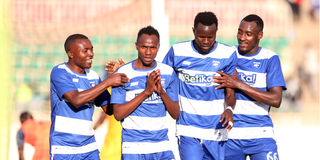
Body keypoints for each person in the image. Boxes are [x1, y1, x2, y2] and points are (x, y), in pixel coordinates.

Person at [162, 11, 237, 160]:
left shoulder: (227, 54)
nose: (206, 41)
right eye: (201, 36)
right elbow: (160, 77)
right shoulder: (178, 52)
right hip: (188, 128)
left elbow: (230, 92)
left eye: (210, 37)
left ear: (216, 32)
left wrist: (229, 109)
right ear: (193, 31)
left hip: (217, 128)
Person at [213, 14, 287, 160]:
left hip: (261, 135)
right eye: (239, 32)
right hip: (230, 135)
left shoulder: (270, 59)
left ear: (260, 35)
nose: (242, 38)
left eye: (248, 34)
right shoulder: (228, 55)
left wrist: (239, 84)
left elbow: (276, 99)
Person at [49, 34, 129, 160]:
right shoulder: (60, 72)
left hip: (89, 148)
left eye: (91, 49)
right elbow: (76, 100)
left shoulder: (93, 76)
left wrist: (120, 84)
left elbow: (110, 110)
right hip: (64, 148)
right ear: (71, 53)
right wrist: (108, 81)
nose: (91, 54)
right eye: (85, 51)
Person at [111, 26, 180, 159]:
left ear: (158, 47)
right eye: (144, 47)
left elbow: (176, 113)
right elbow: (118, 114)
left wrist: (161, 92)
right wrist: (146, 92)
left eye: (152, 47)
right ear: (136, 46)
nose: (148, 52)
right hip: (133, 148)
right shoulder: (123, 73)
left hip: (162, 147)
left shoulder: (168, 72)